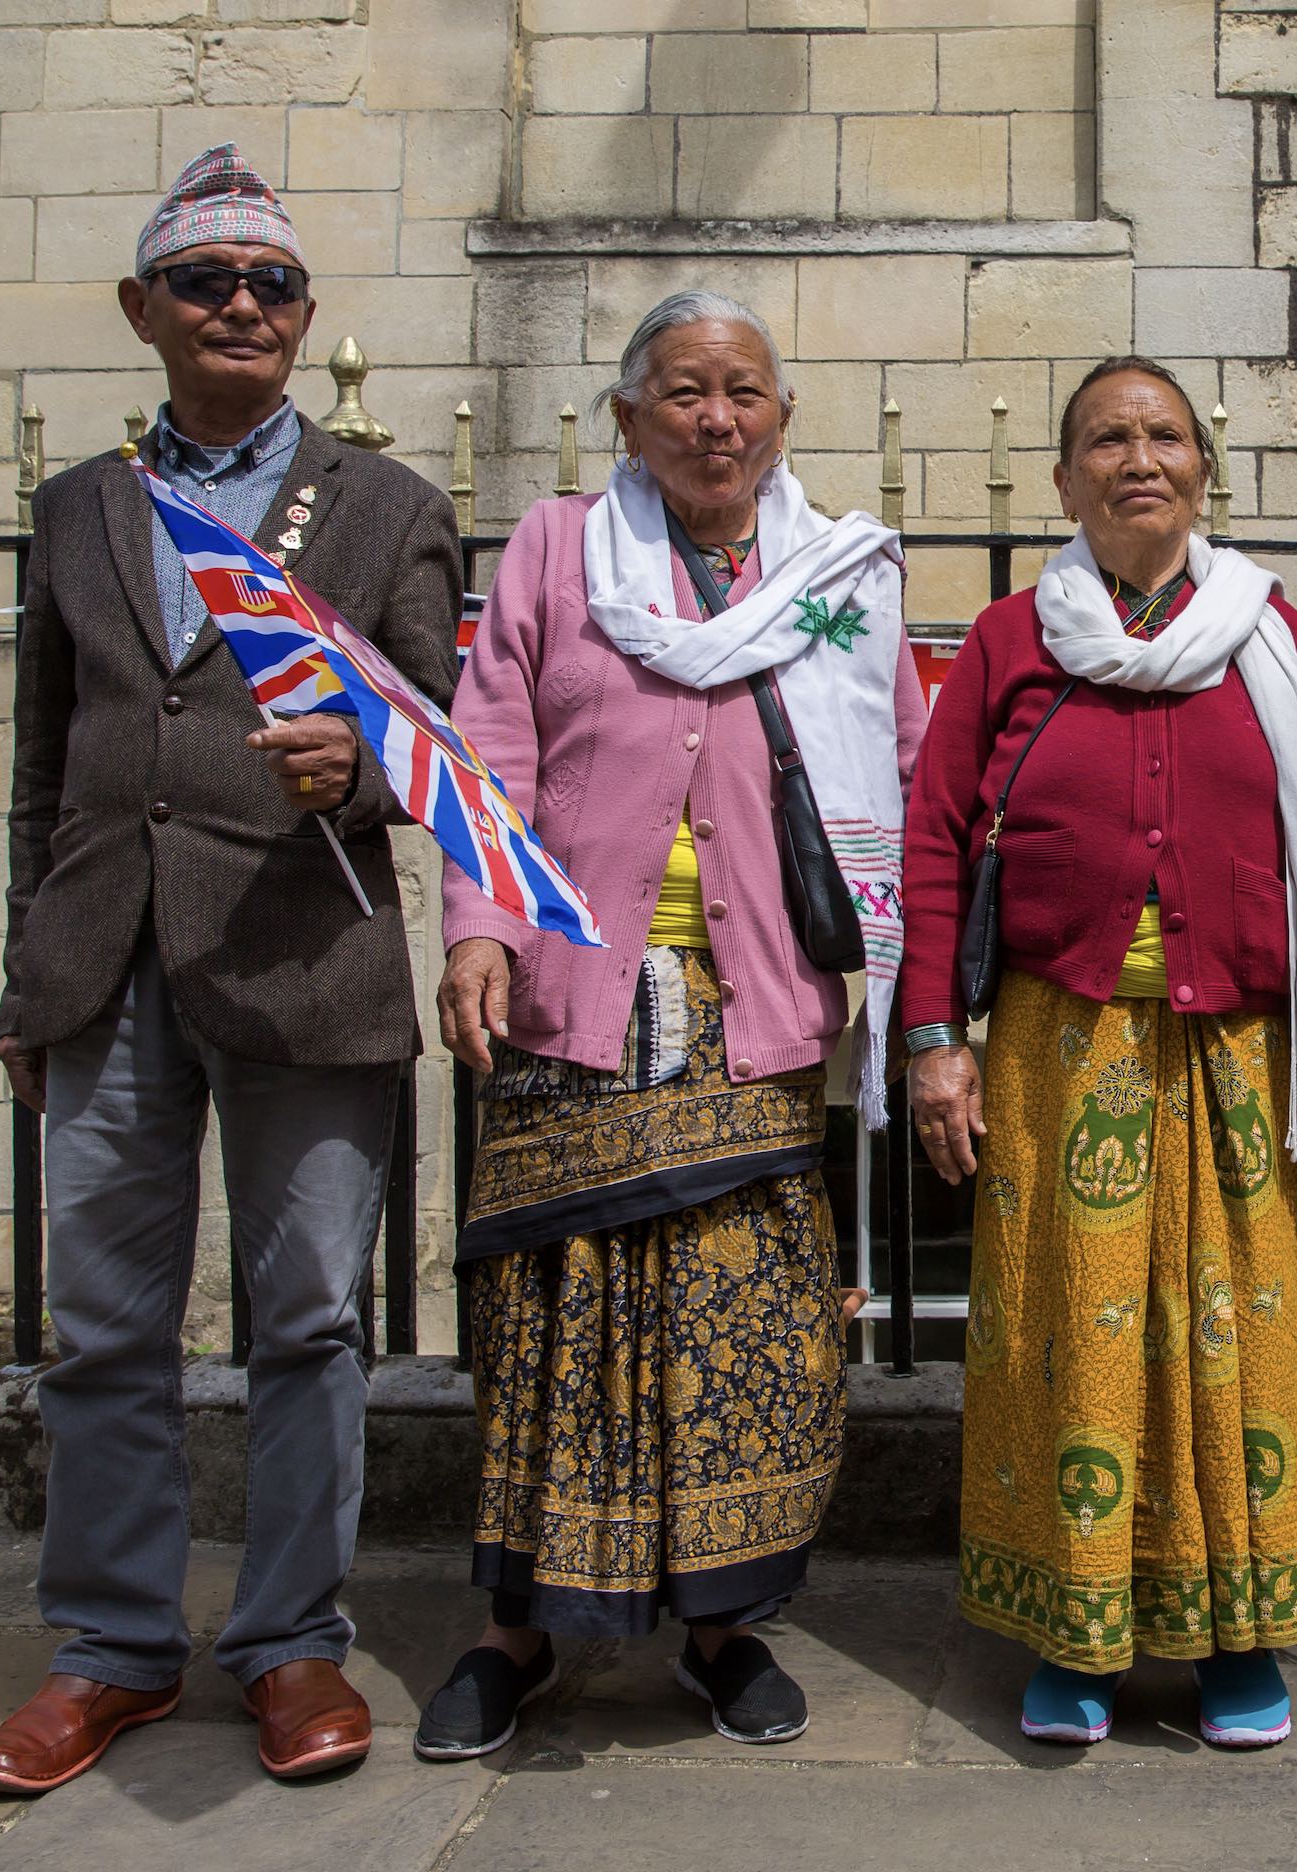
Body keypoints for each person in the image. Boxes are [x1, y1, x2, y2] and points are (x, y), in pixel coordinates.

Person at [0, 146, 461, 1793]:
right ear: (144, 309)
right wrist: (30, 977)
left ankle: (292, 1640)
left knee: (308, 1320)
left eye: (270, 285)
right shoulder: (78, 509)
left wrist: (360, 765)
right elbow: (49, 764)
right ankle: (111, 1647)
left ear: (306, 317)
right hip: (105, 965)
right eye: (204, 282)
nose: (240, 305)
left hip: (305, 961)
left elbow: (445, 743)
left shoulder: (384, 508)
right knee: (104, 1328)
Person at [412, 289, 922, 1760]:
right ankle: (517, 1631)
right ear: (629, 417)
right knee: (555, 1314)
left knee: (738, 1319)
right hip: (573, 992)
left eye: (745, 393)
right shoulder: (558, 549)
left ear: (782, 419)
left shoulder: (835, 576)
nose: (718, 419)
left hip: (754, 1001)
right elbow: (489, 747)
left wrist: (922, 987)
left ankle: (721, 1626)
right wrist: (478, 926)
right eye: (686, 392)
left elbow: (902, 760)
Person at [902, 355, 1297, 1751]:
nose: (1139, 458)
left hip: (1241, 1047)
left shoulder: (1268, 634)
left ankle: (1239, 1635)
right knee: (1071, 1334)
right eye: (1107, 439)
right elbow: (934, 843)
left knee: (1242, 1336)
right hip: (1056, 1047)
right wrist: (933, 1041)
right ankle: (1079, 1631)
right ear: (1064, 481)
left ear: (1201, 472)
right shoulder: (1010, 639)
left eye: (1164, 435)